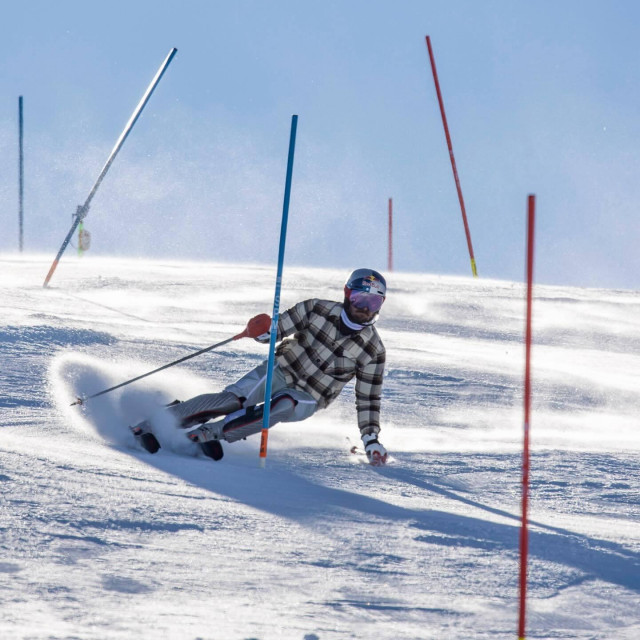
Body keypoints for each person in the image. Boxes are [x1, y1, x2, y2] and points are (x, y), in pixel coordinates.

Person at [134, 268, 388, 466]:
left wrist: (370, 439)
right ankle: (152, 424)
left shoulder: (373, 350)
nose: (364, 310)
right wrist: (264, 331)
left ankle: (207, 434)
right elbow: (277, 330)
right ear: (347, 294)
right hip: (280, 369)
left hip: (310, 396)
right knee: (232, 400)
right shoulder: (317, 309)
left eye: (373, 304)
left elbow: (368, 399)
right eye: (359, 299)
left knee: (282, 405)